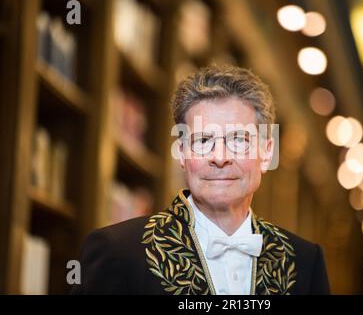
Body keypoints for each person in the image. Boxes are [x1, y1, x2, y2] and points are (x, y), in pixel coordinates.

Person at [71, 65, 330, 295]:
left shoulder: (305, 262)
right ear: (181, 152)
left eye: (239, 140)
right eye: (203, 141)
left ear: (267, 153)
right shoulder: (118, 251)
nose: (220, 157)